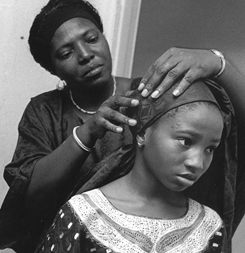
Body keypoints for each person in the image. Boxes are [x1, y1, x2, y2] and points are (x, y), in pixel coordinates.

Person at [0, 0, 245, 253]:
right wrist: (86, 134)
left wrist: (218, 63)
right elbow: (28, 194)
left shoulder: (149, 95)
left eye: (92, 39)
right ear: (52, 68)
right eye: (66, 52)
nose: (85, 55)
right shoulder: (44, 111)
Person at [35, 80, 228, 253]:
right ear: (143, 133)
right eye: (185, 141)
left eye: (210, 149)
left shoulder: (209, 227)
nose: (197, 162)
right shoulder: (84, 215)